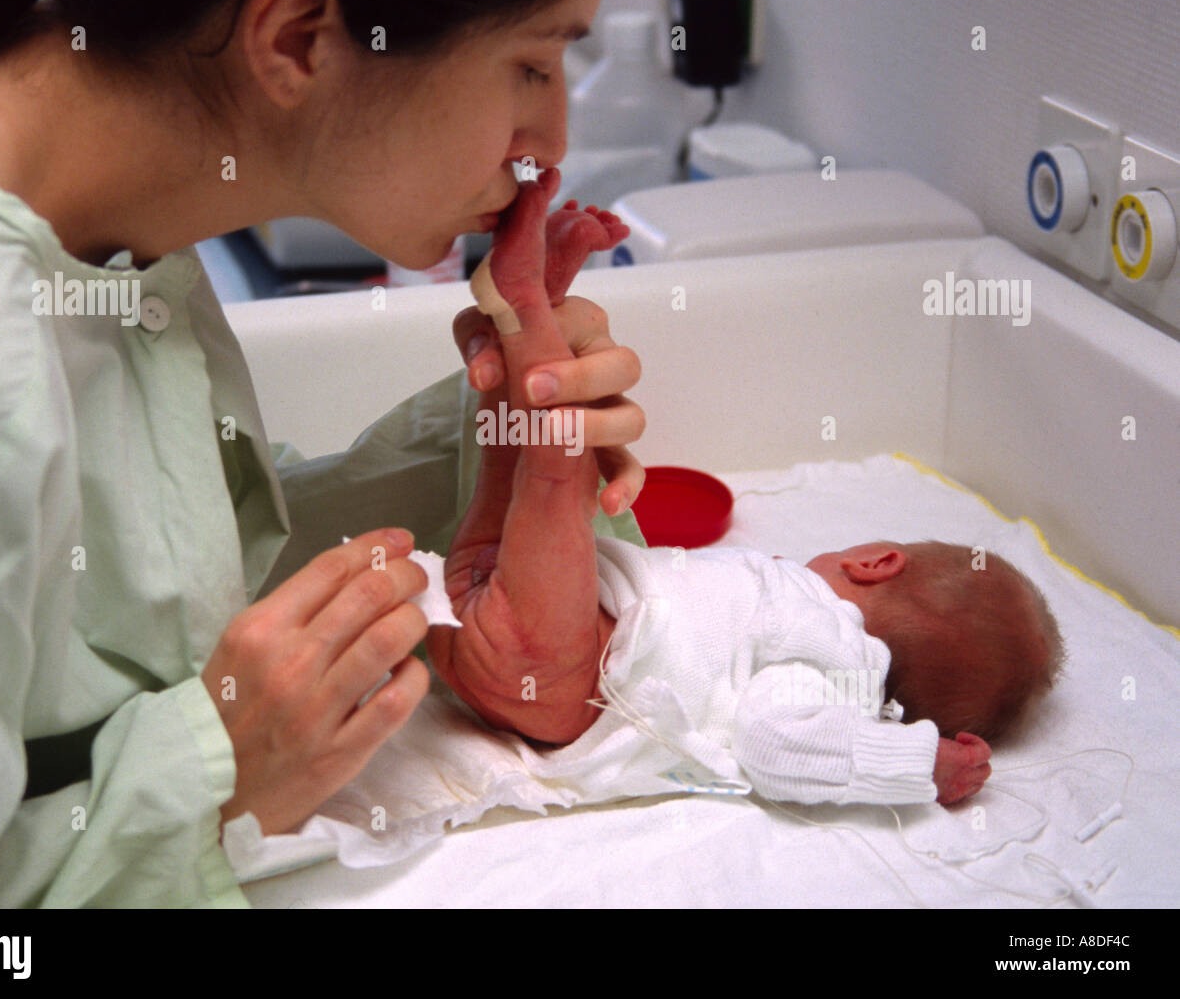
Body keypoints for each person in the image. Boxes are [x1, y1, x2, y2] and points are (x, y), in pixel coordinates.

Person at [0, 0, 647, 906]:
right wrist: (211, 783)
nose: (548, 149)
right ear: (294, 37)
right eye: (532, 65)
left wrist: (505, 451)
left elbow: (129, 565)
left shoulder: (93, 191)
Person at [427, 166, 1065, 808]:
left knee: (556, 469)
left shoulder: (837, 654)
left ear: (875, 563)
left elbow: (773, 744)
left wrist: (912, 766)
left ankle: (530, 302)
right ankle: (531, 305)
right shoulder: (796, 619)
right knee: (515, 465)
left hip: (565, 663)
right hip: (513, 614)